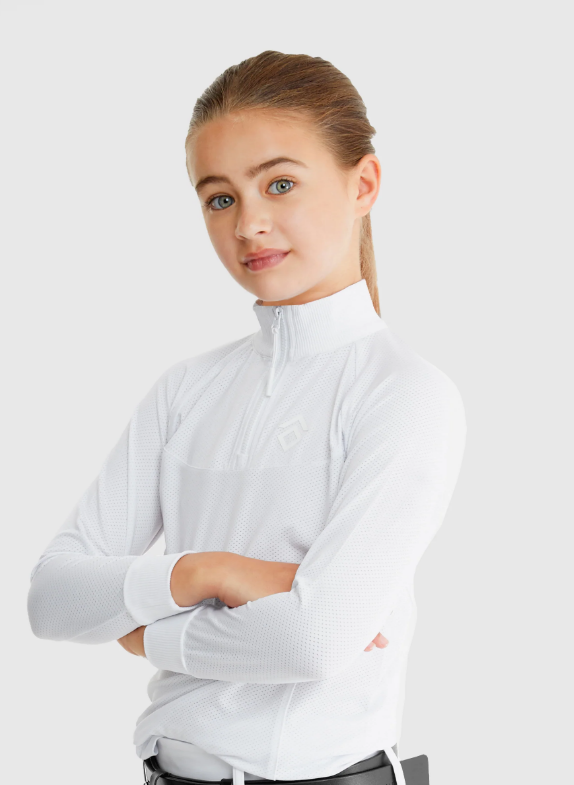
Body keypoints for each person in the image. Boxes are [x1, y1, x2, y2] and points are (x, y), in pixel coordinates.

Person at [27, 50, 467, 785]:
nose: (249, 224)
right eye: (219, 198)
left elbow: (313, 640)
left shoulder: (405, 394)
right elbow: (51, 598)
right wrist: (206, 572)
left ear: (363, 184)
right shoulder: (185, 390)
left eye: (280, 184)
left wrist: (143, 634)